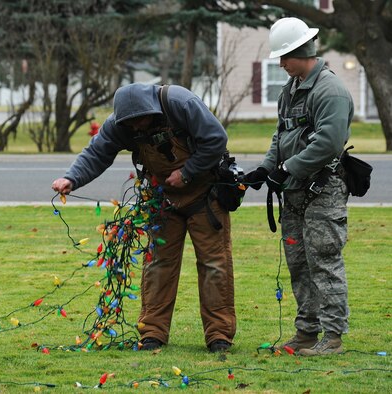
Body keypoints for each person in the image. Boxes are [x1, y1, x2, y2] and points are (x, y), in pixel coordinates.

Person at [52, 83, 236, 353]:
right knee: (158, 265)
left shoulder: (180, 104)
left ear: (152, 109)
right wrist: (71, 178)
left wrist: (187, 172)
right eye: (131, 124)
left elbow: (216, 139)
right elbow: (97, 152)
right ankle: (152, 333)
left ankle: (219, 335)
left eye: (141, 120)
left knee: (214, 264)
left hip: (205, 197)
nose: (137, 127)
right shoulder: (120, 124)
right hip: (162, 200)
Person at [243, 17, 354, 356]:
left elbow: (329, 142)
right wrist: (266, 168)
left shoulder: (329, 90)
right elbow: (282, 133)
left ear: (300, 51)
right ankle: (306, 331)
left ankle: (332, 336)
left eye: (283, 57)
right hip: (293, 192)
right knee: (298, 262)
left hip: (324, 190)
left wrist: (287, 167)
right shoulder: (290, 91)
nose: (280, 64)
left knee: (323, 260)